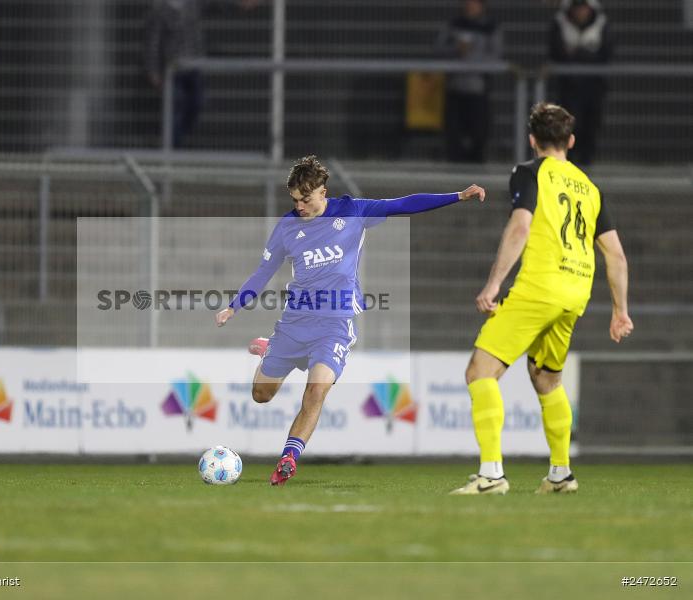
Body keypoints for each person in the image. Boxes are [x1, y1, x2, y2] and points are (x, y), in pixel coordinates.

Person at [215, 155, 486, 485]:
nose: (299, 205)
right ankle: (270, 348)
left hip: (335, 324)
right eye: (295, 200)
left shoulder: (353, 211)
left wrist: (456, 196)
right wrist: (234, 306)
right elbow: (263, 272)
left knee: (316, 392)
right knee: (261, 395)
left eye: (305, 199)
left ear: (323, 191)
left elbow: (404, 204)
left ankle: (289, 457)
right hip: (295, 323)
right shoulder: (288, 227)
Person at [452, 102, 632, 495]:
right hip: (575, 292)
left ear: (532, 140)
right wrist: (620, 310)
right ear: (570, 140)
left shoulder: (530, 172)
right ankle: (560, 475)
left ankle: (491, 474)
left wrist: (493, 284)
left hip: (541, 286)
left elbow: (520, 226)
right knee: (547, 378)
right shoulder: (589, 187)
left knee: (480, 372)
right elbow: (615, 254)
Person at [145, 0, 259, 148]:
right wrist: (153, 71)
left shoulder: (193, 4)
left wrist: (240, 5)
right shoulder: (160, 10)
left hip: (194, 66)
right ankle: (173, 147)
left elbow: (217, 5)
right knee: (175, 107)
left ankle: (176, 141)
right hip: (173, 69)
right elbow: (152, 43)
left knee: (196, 103)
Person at [436, 0, 503, 162]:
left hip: (478, 89)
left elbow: (495, 56)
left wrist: (473, 59)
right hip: (454, 87)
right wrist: (456, 50)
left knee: (478, 135)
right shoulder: (454, 24)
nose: (470, 5)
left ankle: (477, 173)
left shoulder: (491, 27)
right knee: (454, 135)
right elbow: (438, 49)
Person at [548, 0, 611, 165]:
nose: (580, 12)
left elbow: (606, 52)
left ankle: (586, 167)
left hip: (593, 87)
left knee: (590, 129)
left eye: (583, 8)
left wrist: (580, 55)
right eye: (577, 8)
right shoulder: (560, 22)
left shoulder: (601, 23)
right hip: (568, 88)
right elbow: (555, 51)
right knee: (568, 130)